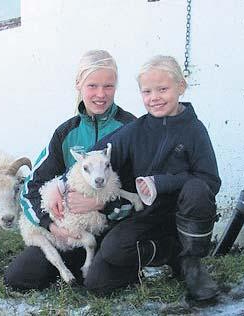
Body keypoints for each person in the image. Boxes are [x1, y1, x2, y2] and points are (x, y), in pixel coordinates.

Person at [76, 55, 221, 300]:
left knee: (197, 188)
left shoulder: (195, 130)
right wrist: (63, 184)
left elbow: (210, 180)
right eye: (147, 91)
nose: (154, 97)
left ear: (181, 87)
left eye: (162, 89)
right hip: (146, 214)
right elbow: (96, 156)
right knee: (99, 279)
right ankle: (170, 253)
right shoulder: (135, 130)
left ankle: (192, 263)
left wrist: (162, 182)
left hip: (183, 214)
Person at [4, 49, 136, 290]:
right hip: (68, 231)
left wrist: (102, 204)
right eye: (92, 85)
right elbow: (30, 189)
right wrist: (51, 225)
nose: (100, 94)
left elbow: (140, 192)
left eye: (108, 86)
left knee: (99, 285)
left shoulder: (130, 128)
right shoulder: (66, 133)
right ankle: (75, 264)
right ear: (78, 84)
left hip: (111, 229)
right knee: (18, 277)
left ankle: (105, 266)